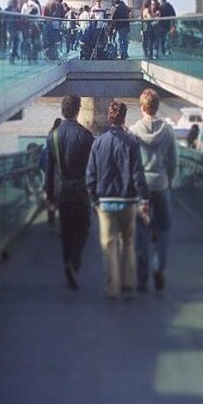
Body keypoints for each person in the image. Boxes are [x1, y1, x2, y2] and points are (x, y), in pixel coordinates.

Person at [86, 100, 149, 301]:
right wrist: (144, 198)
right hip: (127, 200)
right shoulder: (132, 142)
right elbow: (137, 174)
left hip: (105, 202)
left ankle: (112, 288)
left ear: (109, 117)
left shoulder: (98, 142)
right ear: (124, 118)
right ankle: (128, 284)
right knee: (128, 243)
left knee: (109, 246)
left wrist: (94, 200)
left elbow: (90, 175)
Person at [129, 89, 177, 293]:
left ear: (142, 107)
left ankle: (141, 278)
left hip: (142, 188)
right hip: (161, 184)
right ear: (157, 106)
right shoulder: (167, 130)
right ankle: (159, 268)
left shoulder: (133, 131)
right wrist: (169, 180)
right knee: (164, 228)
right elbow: (173, 161)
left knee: (141, 232)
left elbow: (130, 162)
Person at [46, 97, 94, 291]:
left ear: (62, 110)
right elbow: (92, 168)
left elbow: (50, 170)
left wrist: (50, 196)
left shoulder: (53, 137)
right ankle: (74, 263)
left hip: (62, 193)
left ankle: (67, 262)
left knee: (65, 232)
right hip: (81, 192)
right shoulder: (86, 136)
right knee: (83, 229)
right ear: (77, 111)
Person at [40, 117, 62, 230]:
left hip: (50, 176)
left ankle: (51, 222)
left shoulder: (48, 141)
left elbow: (42, 162)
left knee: (51, 198)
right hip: (59, 176)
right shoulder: (61, 141)